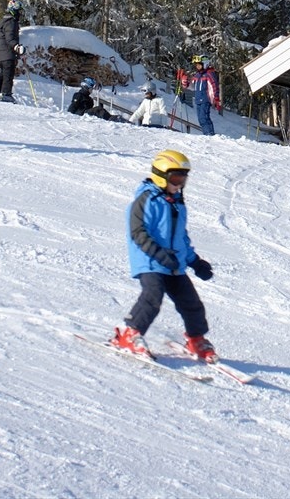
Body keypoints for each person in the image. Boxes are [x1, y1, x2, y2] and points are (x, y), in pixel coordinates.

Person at [110, 149, 216, 362]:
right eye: (176, 178)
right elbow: (138, 232)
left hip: (174, 265)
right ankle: (128, 334)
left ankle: (196, 339)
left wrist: (195, 262)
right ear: (162, 175)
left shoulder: (177, 203)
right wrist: (159, 255)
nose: (179, 184)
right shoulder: (146, 200)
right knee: (153, 296)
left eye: (183, 179)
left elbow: (181, 239)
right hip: (149, 261)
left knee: (191, 302)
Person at [0, 0, 23, 102]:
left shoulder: (4, 21)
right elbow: (10, 38)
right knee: (8, 73)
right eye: (18, 10)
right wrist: (17, 47)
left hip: (1, 52)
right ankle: (6, 94)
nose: (19, 13)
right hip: (7, 52)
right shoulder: (11, 22)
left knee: (3, 73)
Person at [185, 55, 221, 136]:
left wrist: (216, 99)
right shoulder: (197, 75)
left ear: (205, 64)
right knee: (201, 119)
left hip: (205, 99)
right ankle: (208, 133)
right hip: (198, 100)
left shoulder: (209, 74)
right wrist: (185, 82)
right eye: (196, 65)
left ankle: (209, 133)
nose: (197, 67)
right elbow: (192, 86)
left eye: (199, 65)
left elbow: (214, 86)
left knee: (203, 117)